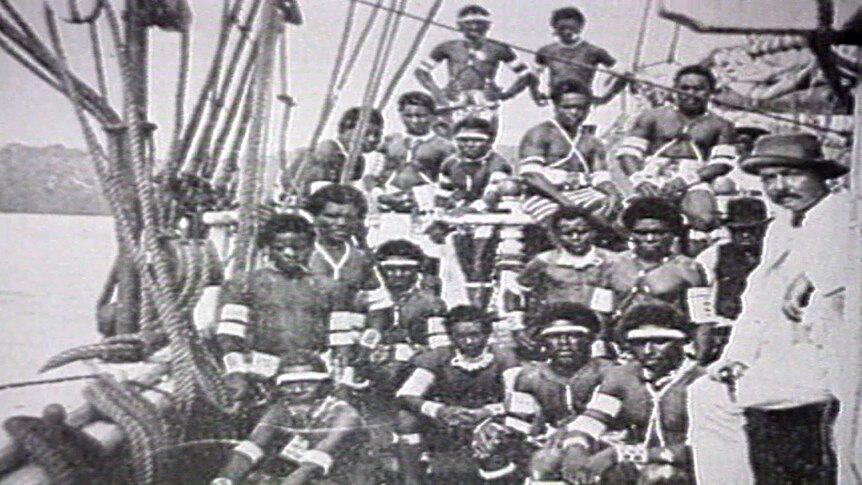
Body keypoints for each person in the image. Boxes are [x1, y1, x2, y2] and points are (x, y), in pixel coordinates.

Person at [707, 133, 853, 485]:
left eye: (791, 174)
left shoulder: (849, 213)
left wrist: (812, 276)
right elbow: (756, 301)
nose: (780, 186)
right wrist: (736, 355)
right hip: (793, 359)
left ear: (820, 175)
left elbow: (847, 272)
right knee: (709, 393)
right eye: (769, 178)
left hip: (839, 358)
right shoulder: (780, 226)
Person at [537, 303, 703, 484]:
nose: (648, 350)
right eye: (639, 343)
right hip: (638, 462)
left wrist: (621, 453)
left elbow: (704, 448)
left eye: (660, 341)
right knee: (548, 460)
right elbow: (591, 421)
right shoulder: (623, 377)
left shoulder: (702, 382)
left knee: (659, 474)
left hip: (690, 467)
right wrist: (575, 449)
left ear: (683, 342)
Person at [213, 213, 368, 399]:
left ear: (311, 248)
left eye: (298, 247)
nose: (290, 253)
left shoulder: (330, 288)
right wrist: (235, 372)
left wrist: (343, 380)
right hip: (260, 371)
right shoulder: (244, 284)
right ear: (267, 249)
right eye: (280, 248)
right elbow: (230, 334)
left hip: (313, 372)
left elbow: (341, 340)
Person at [472, 303, 615, 483]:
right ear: (542, 341)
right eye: (554, 337)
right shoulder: (531, 376)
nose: (564, 343)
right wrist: (497, 430)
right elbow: (521, 422)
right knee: (517, 457)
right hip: (549, 444)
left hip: (602, 441)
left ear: (590, 339)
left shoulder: (609, 373)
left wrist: (572, 436)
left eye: (573, 335)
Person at [393, 305, 521, 484]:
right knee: (405, 419)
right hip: (448, 421)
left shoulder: (504, 357)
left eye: (475, 335)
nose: (469, 342)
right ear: (451, 336)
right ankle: (412, 480)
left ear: (487, 334)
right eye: (461, 336)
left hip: (490, 420)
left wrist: (487, 412)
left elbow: (516, 397)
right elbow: (406, 394)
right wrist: (440, 411)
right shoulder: (437, 357)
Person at [211, 351, 373, 485]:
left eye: (308, 382)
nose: (298, 389)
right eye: (290, 383)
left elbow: (317, 459)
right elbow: (252, 446)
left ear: (323, 383)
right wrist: (225, 478)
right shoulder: (281, 409)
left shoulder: (344, 414)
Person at [616, 64, 737, 232]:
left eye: (698, 89)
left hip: (694, 178)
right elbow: (628, 153)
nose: (690, 94)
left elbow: (722, 163)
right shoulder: (652, 116)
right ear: (674, 89)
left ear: (711, 91)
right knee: (627, 223)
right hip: (652, 175)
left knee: (705, 220)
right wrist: (640, 180)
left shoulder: (721, 125)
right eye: (685, 88)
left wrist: (686, 180)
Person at [519, 79, 622, 225]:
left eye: (581, 108)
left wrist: (613, 193)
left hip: (583, 193)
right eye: (567, 107)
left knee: (616, 214)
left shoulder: (592, 141)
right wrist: (566, 202)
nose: (574, 112)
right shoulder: (540, 133)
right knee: (563, 223)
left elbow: (600, 177)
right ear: (555, 106)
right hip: (544, 195)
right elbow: (531, 176)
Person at [415, 5, 532, 125]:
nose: (474, 27)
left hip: (485, 100)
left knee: (483, 137)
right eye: (469, 23)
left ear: (488, 26)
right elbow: (421, 71)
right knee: (452, 137)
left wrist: (506, 94)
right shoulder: (448, 47)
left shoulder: (498, 48)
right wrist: (438, 93)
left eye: (479, 23)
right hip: (454, 98)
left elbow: (526, 75)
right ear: (459, 26)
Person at [606, 197, 709, 322]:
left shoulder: (688, 268)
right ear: (631, 234)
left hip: (671, 335)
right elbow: (600, 315)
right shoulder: (611, 265)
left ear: (672, 234)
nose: (650, 239)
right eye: (642, 233)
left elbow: (701, 320)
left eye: (659, 232)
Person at [517, 206, 616, 320]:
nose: (576, 238)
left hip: (600, 323)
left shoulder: (610, 260)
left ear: (593, 231)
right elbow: (521, 288)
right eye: (568, 233)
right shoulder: (545, 261)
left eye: (582, 232)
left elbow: (625, 293)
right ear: (557, 235)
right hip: (559, 322)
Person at [374, 92, 457, 213]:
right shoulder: (389, 141)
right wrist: (380, 195)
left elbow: (451, 182)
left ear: (432, 116)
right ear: (401, 115)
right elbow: (373, 174)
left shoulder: (445, 146)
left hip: (424, 202)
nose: (415, 120)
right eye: (409, 115)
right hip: (388, 198)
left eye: (421, 115)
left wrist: (423, 198)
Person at [532, 7, 626, 106]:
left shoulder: (594, 51)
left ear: (580, 28)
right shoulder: (546, 51)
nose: (567, 32)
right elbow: (531, 76)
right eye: (562, 28)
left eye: (572, 28)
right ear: (555, 28)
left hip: (582, 102)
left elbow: (624, 74)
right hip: (556, 101)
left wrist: (606, 98)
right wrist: (536, 95)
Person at [695, 197, 771, 320]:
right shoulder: (713, 255)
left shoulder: (773, 253)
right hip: (725, 322)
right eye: (739, 230)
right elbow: (701, 294)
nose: (745, 235)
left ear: (764, 229)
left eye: (752, 230)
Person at [295, 107, 384, 195]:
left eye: (377, 134)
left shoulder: (358, 159)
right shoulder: (326, 153)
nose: (372, 139)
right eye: (366, 133)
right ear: (345, 129)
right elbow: (303, 187)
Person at [437, 117, 512, 212]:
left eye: (477, 140)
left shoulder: (498, 165)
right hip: (459, 214)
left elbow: (492, 196)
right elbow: (443, 194)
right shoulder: (450, 164)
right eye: (463, 140)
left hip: (492, 216)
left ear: (490, 142)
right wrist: (439, 211)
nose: (470, 144)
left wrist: (470, 210)